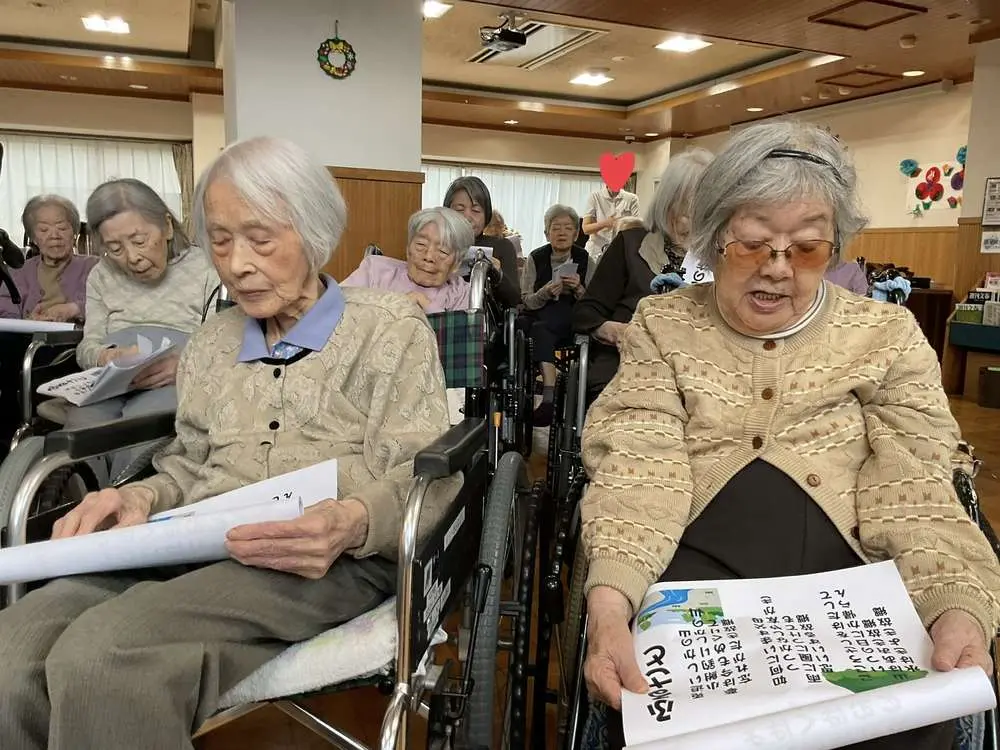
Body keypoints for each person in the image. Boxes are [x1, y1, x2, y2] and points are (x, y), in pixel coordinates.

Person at [0, 136, 462, 750]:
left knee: (106, 655)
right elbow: (188, 463)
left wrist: (352, 520)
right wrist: (139, 498)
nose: (236, 263)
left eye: (259, 239)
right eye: (219, 241)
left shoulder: (389, 327)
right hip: (192, 538)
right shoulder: (213, 342)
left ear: (314, 233)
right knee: (13, 649)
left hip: (318, 556)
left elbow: (424, 472)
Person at [580, 122, 1000, 750]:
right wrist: (611, 606)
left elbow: (915, 482)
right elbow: (640, 466)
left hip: (854, 573)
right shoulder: (664, 325)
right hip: (692, 572)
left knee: (905, 724)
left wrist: (954, 603)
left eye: (806, 248)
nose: (777, 269)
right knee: (671, 724)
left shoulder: (887, 335)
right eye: (752, 244)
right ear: (713, 238)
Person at [58, 179, 219, 481]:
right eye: (115, 248)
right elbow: (87, 347)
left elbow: (222, 342)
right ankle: (80, 502)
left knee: (140, 433)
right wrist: (105, 357)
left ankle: (125, 501)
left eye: (140, 240)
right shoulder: (101, 275)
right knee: (80, 433)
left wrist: (185, 363)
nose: (132, 257)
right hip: (111, 379)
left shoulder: (208, 268)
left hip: (171, 375)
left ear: (167, 227)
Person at [573, 149, 713, 401]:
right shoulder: (630, 244)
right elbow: (587, 312)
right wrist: (617, 332)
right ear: (666, 204)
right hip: (628, 362)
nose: (689, 221)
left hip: (699, 369)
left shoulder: (724, 253)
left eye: (702, 210)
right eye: (683, 209)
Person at [520, 204, 592, 426]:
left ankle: (549, 396)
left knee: (542, 325)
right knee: (531, 325)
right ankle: (549, 394)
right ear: (546, 233)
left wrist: (578, 288)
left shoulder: (585, 258)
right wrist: (545, 292)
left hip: (571, 319)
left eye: (568, 228)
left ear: (576, 233)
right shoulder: (535, 258)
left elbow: (595, 302)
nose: (562, 233)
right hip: (540, 317)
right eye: (556, 228)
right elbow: (526, 300)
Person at [342, 207, 473, 313]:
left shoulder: (462, 294)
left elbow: (461, 336)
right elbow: (338, 307)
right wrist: (396, 305)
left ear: (457, 263)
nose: (428, 257)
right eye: (421, 244)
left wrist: (427, 306)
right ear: (408, 248)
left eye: (442, 251)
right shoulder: (375, 270)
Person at [0, 195, 97, 321]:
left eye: (62, 228)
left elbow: (113, 303)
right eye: (44, 230)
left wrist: (75, 309)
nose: (54, 236)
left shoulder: (94, 267)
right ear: (33, 238)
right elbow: (5, 318)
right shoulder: (18, 273)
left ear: (74, 233)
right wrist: (29, 323)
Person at [443, 176, 521, 308]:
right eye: (459, 209)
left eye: (476, 210)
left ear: (486, 215)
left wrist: (498, 274)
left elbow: (513, 300)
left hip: (484, 318)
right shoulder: (436, 245)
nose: (467, 217)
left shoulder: (502, 246)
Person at [582, 182, 640, 262]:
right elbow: (586, 229)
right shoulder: (595, 197)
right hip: (595, 251)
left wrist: (621, 224)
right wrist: (605, 223)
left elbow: (636, 229)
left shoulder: (632, 198)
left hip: (620, 251)